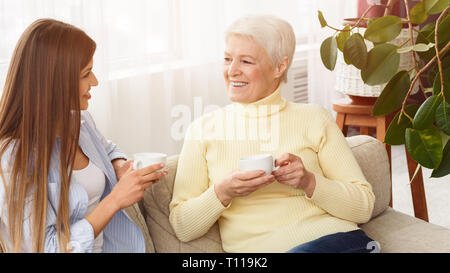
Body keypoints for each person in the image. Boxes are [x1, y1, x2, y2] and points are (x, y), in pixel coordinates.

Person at [169, 15, 377, 253]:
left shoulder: (314, 118)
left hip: (338, 243)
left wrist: (309, 182)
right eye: (227, 59)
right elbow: (182, 226)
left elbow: (363, 206)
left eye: (246, 61)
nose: (232, 71)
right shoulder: (202, 130)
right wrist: (222, 191)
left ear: (280, 66)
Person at [0, 19, 167, 253]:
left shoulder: (79, 121)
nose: (95, 82)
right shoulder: (12, 159)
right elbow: (45, 248)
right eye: (86, 74)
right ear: (56, 82)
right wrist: (115, 200)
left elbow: (107, 148)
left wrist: (119, 165)